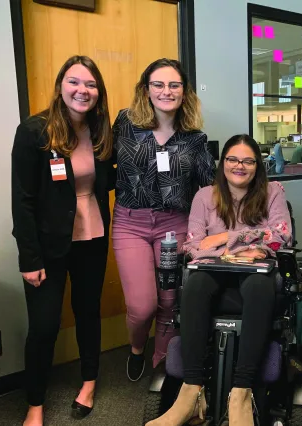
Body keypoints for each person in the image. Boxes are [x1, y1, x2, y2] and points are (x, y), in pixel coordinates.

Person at [147, 134, 293, 426]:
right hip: (212, 271)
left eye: (248, 160)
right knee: (195, 284)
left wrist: (229, 237)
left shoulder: (273, 192)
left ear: (257, 165)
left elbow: (281, 235)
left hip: (257, 272)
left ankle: (241, 394)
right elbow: (193, 244)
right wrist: (244, 243)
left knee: (260, 285)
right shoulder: (204, 196)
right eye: (232, 159)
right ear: (223, 162)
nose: (240, 166)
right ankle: (192, 392)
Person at [11, 55, 114, 425]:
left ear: (98, 92)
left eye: (90, 84)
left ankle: (89, 382)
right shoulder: (34, 131)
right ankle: (34, 404)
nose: (82, 91)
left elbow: (109, 179)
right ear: (60, 86)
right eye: (74, 82)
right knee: (44, 325)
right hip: (47, 244)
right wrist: (29, 258)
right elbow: (21, 199)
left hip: (93, 237)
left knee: (88, 312)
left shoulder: (101, 131)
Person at [112, 58, 216, 381]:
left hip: (175, 225)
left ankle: (163, 363)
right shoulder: (124, 123)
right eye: (158, 84)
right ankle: (137, 348)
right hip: (131, 222)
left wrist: (261, 188)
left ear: (184, 93)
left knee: (170, 300)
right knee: (143, 305)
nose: (166, 91)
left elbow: (212, 188)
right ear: (146, 89)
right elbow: (98, 156)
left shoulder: (194, 139)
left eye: (174, 85)